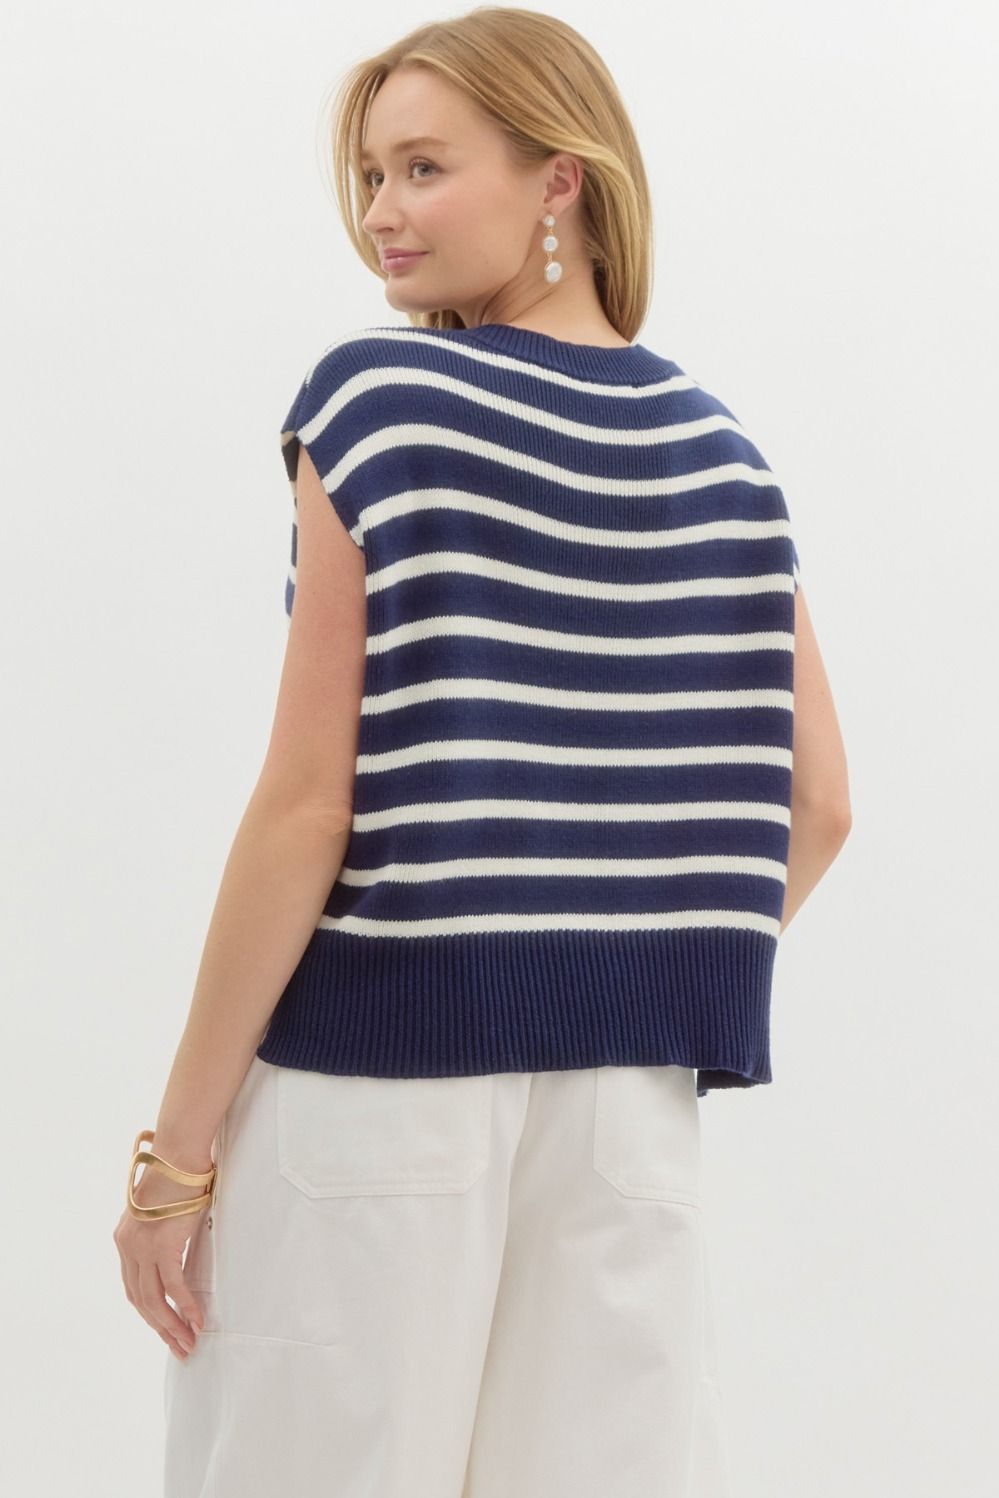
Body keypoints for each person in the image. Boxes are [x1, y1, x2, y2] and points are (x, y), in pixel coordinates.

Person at [113, 8, 851, 1495]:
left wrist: (174, 1159)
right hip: (628, 1115)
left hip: (373, 1100)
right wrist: (611, 969)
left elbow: (306, 806)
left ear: (559, 178)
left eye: (424, 167)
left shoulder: (378, 403)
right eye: (371, 176)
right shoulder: (728, 458)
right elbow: (821, 804)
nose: (381, 214)